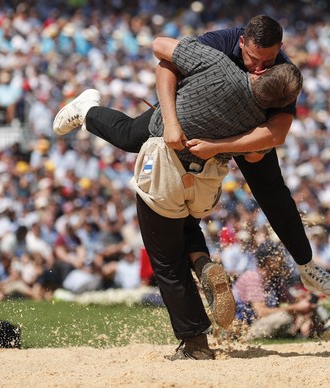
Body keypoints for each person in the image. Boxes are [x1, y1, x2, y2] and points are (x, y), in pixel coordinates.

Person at [53, 15, 330, 301]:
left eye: (266, 62)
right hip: (191, 116)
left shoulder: (282, 72)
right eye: (253, 59)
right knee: (130, 137)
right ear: (242, 42)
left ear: (279, 50)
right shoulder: (221, 42)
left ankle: (307, 266)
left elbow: (276, 133)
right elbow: (163, 56)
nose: (258, 69)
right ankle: (87, 110)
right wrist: (170, 121)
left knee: (273, 193)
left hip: (243, 137)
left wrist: (217, 146)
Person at [55, 35, 303, 360]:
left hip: (165, 156)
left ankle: (196, 344)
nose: (258, 67)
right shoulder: (262, 120)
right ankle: (201, 261)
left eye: (264, 65)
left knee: (166, 260)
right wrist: (221, 146)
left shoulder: (217, 66)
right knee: (186, 227)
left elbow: (162, 55)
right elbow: (260, 152)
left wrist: (171, 120)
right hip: (208, 176)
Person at [233, 241, 330, 341]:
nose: (283, 260)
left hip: (262, 323)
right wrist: (296, 308)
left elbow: (293, 300)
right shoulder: (253, 277)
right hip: (246, 327)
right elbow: (261, 312)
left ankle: (307, 331)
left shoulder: (275, 278)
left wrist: (306, 301)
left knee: (303, 309)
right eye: (279, 256)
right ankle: (300, 331)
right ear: (269, 260)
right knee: (284, 317)